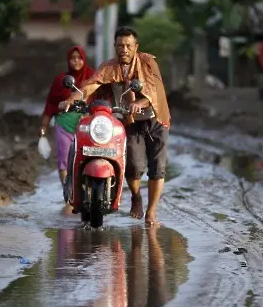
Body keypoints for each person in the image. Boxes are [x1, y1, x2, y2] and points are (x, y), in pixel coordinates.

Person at [60, 26, 171, 226]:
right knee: (133, 165)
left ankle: (151, 212)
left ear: (136, 47)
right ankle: (136, 196)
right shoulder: (109, 67)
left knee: (158, 167)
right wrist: (72, 97)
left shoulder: (148, 64)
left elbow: (154, 91)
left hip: (155, 118)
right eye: (120, 45)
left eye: (128, 45)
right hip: (129, 120)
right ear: (115, 47)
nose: (124, 49)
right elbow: (91, 85)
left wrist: (139, 103)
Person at [40, 46, 95, 206]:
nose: (76, 61)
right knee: (64, 161)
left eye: (79, 57)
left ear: (84, 59)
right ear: (68, 60)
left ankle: (89, 191)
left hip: (86, 125)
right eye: (73, 58)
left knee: (87, 158)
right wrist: (43, 125)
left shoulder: (92, 77)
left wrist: (88, 115)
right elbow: (50, 104)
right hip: (64, 124)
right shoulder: (60, 80)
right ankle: (69, 195)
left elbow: (100, 99)